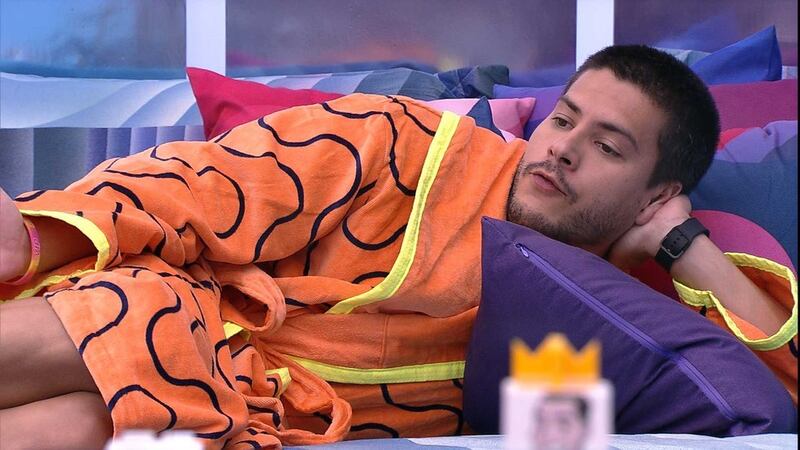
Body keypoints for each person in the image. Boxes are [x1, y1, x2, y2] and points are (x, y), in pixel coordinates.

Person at [0, 45, 795, 449]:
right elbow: (207, 185)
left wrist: (684, 242)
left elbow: (773, 404)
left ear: (654, 194)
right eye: (563, 120)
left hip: (243, 411)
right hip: (177, 314)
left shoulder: (627, 306)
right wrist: (39, 232)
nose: (561, 149)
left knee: (88, 424)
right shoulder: (400, 142)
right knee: (139, 315)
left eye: (609, 148)